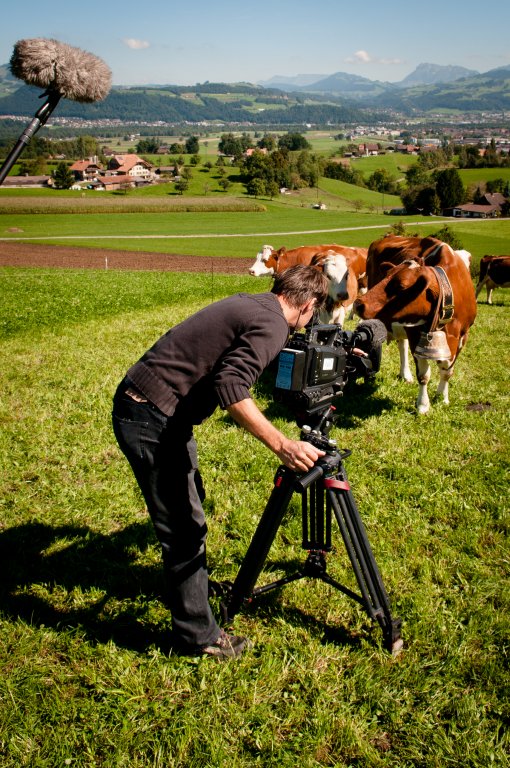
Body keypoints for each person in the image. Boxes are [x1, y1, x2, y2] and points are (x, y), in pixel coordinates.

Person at [112, 265, 329, 660]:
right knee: (183, 528)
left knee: (190, 499)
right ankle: (197, 637)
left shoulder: (258, 306)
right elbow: (231, 387)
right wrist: (283, 445)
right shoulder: (275, 324)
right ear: (310, 304)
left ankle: (191, 593)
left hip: (158, 408)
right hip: (149, 415)